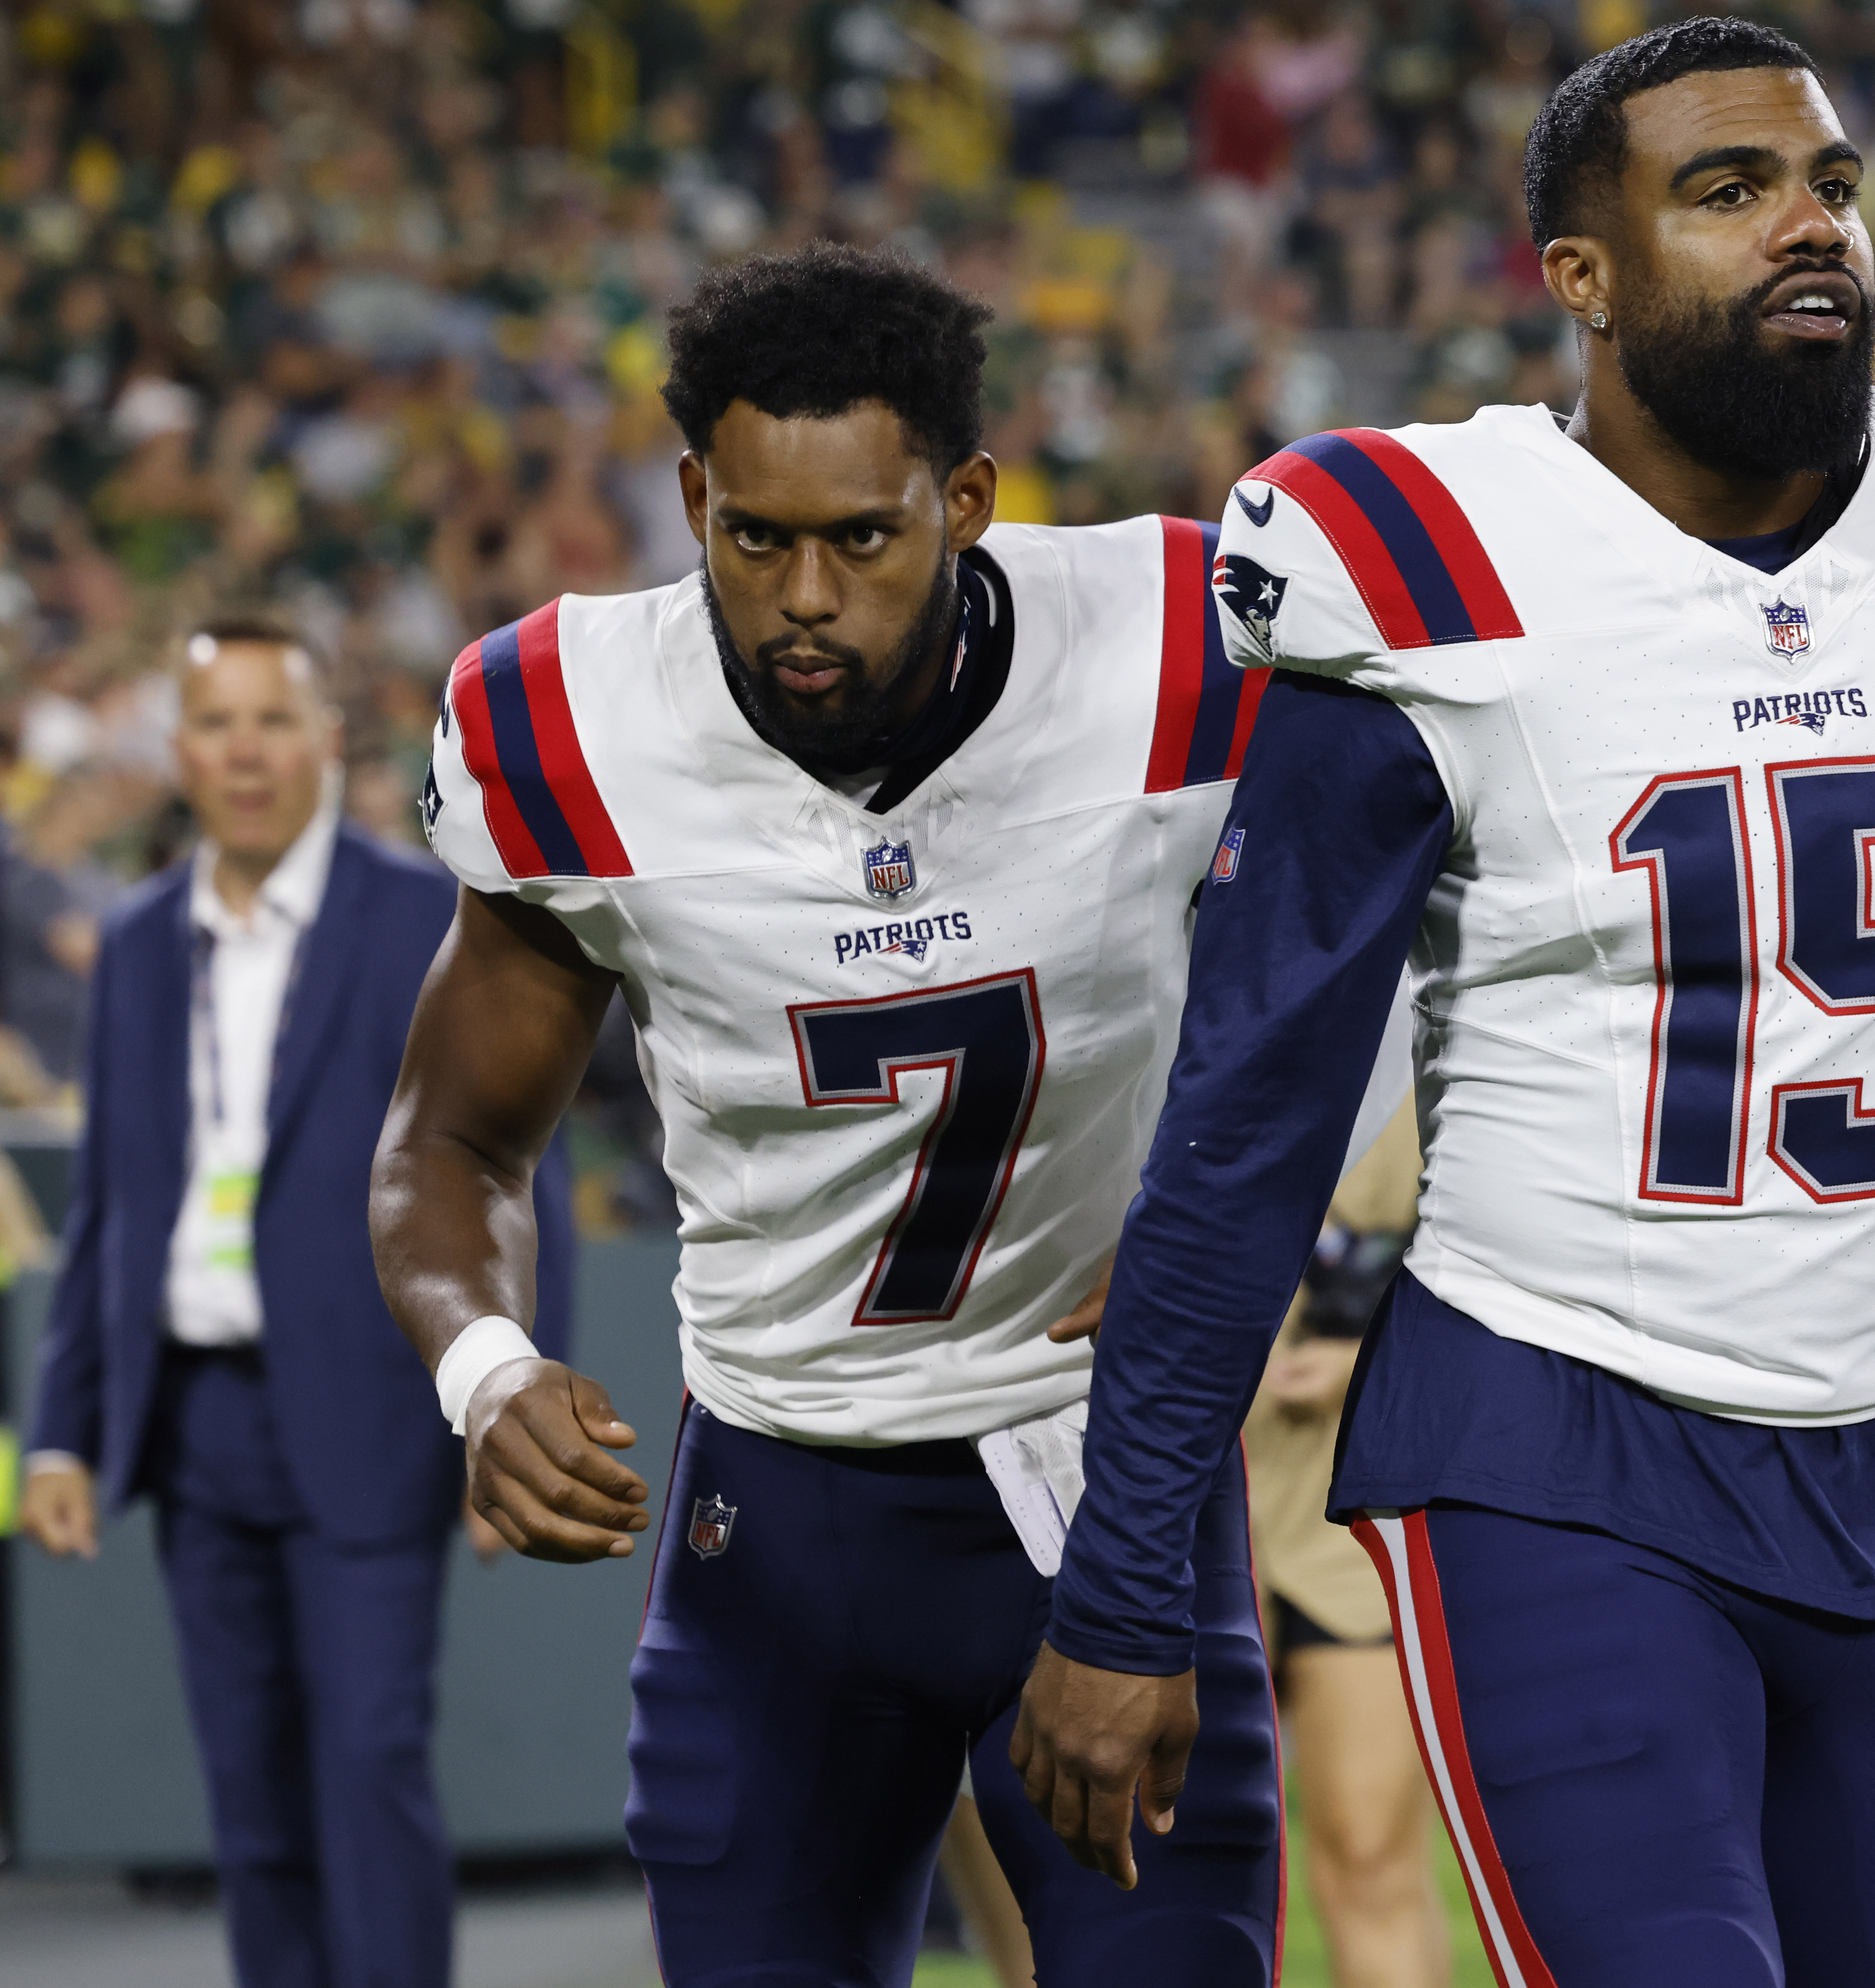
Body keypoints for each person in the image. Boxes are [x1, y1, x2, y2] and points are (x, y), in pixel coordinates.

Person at [1010, 21, 1875, 1983]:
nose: (1806, 224)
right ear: (1583, 277)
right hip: (1554, 1446)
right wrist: (1127, 1595)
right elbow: (1252, 1119)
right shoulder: (1426, 553)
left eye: (1828, 185)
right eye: (1725, 191)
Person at [365, 245, 1294, 1988]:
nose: (804, 594)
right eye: (754, 536)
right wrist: (481, 1367)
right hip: (774, 1513)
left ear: (966, 502)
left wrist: (1270, 1227)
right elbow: (448, 1145)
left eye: (862, 539)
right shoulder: (565, 719)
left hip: (1099, 1475)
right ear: (694, 496)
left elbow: (1434, 931)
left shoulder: (1180, 637)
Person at [23, 614, 575, 1988]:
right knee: (251, 1802)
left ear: (328, 740)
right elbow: (107, 1208)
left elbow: (510, 1167)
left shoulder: (424, 918)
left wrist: (498, 1413)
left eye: (276, 721)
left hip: (375, 1414)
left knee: (370, 1766)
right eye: (218, 725)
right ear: (181, 753)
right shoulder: (141, 940)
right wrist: (60, 1432)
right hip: (195, 1427)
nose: (248, 752)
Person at [1247, 1101, 1454, 1988]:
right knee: (1138, 1867)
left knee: (1366, 1851)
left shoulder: (1433, 1019)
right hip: (1161, 1496)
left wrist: (1370, 1345)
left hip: (1351, 1505)